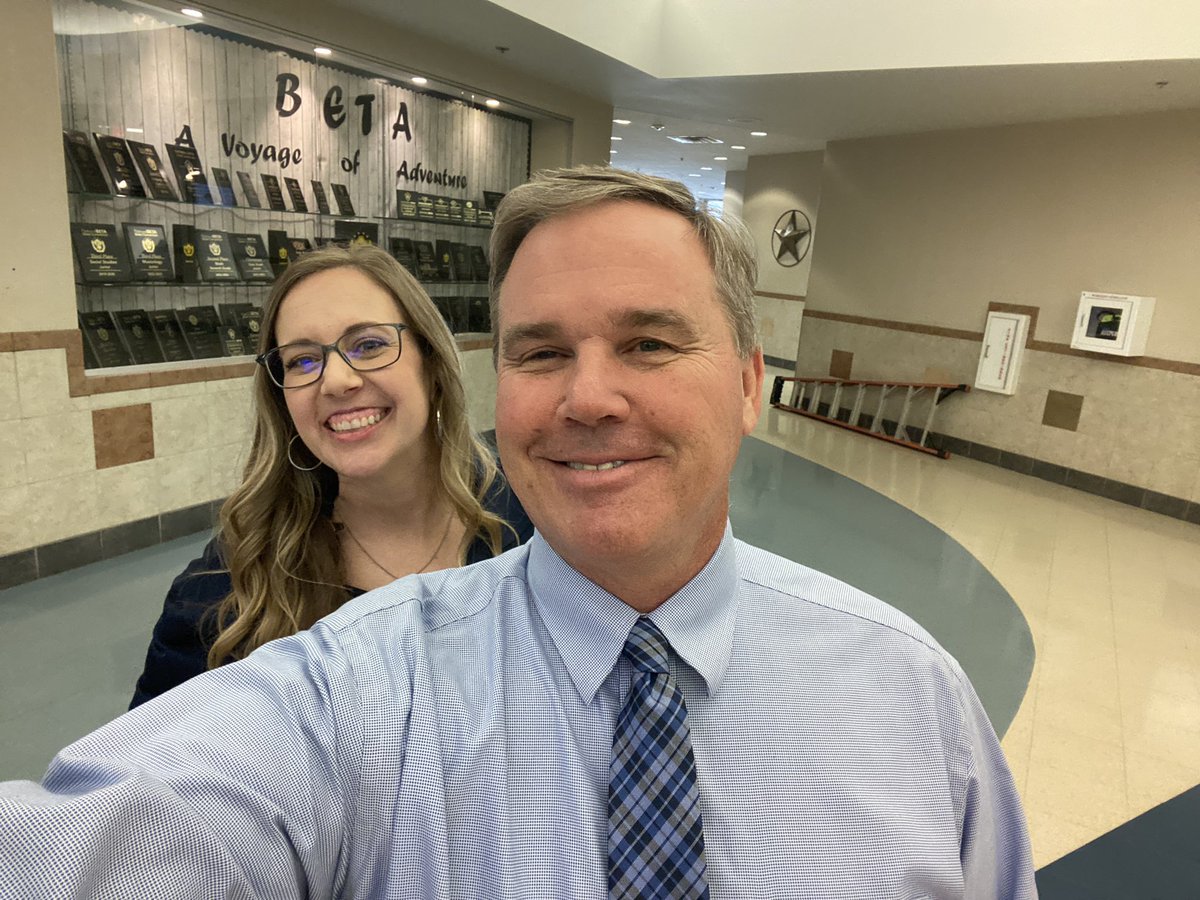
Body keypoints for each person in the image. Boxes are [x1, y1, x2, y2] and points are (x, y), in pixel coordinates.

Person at [0, 167, 1036, 898]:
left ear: (753, 381)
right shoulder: (349, 678)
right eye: (542, 353)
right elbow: (135, 829)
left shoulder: (914, 696)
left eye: (648, 342)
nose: (590, 396)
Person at [129, 243, 533, 708]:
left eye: (369, 345)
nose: (337, 381)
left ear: (432, 362)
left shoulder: (530, 517)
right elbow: (149, 769)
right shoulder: (231, 588)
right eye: (302, 360)